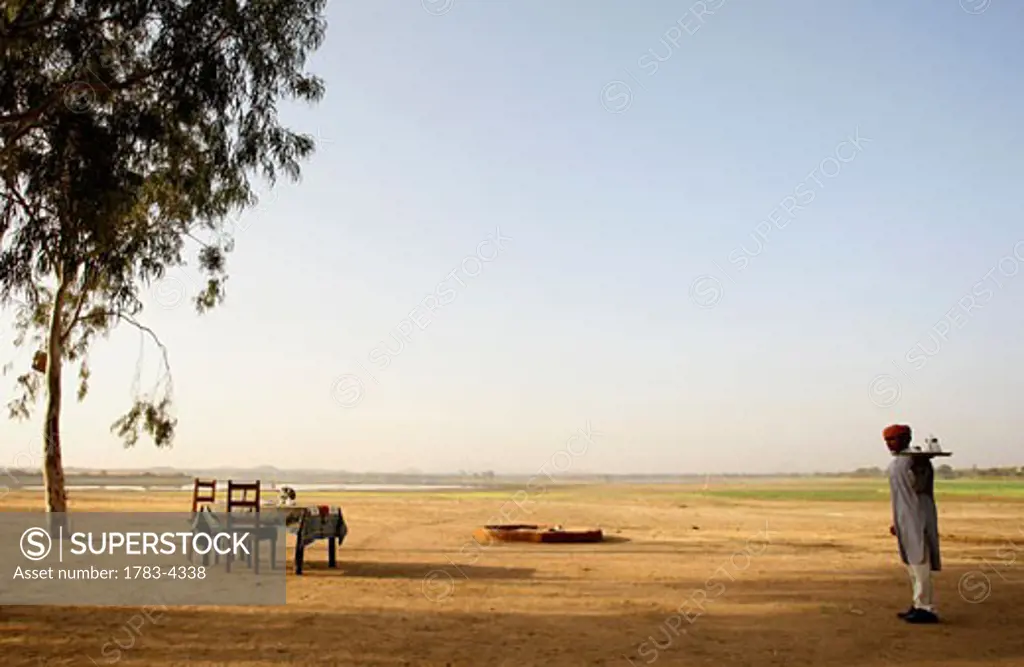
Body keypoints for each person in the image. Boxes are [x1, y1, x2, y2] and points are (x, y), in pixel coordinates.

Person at [883, 424, 941, 624]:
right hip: (905, 517)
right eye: (887, 441)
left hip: (918, 516)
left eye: (893, 439)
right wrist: (897, 521)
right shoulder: (897, 462)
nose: (890, 444)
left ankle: (926, 607)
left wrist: (920, 462)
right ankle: (917, 604)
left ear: (906, 439)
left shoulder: (915, 461)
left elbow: (920, 486)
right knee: (911, 563)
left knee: (920, 561)